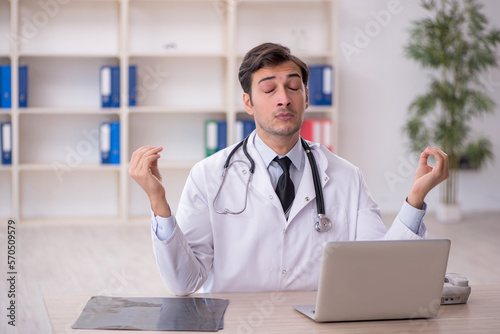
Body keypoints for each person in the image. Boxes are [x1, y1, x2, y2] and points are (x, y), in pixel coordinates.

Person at [129, 43, 449, 296]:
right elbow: (184, 283)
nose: (284, 99)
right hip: (237, 323)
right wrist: (159, 204)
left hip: (315, 322)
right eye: (269, 90)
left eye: (293, 87)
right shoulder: (209, 175)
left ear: (307, 97)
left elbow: (381, 271)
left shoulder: (345, 176)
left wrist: (415, 199)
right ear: (248, 103)